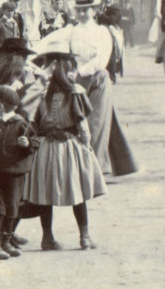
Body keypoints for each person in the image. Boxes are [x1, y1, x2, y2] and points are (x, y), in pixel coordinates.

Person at [20, 40, 104, 250]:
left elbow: (34, 123)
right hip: (69, 147)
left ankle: (47, 237)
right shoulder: (75, 92)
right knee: (78, 193)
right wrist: (87, 146)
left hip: (45, 149)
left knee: (45, 195)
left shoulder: (41, 93)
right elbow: (82, 125)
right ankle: (84, 236)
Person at [0, 86, 36, 261]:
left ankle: (6, 241)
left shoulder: (21, 125)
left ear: (0, 106)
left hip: (15, 175)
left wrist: (27, 144)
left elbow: (35, 142)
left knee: (12, 208)